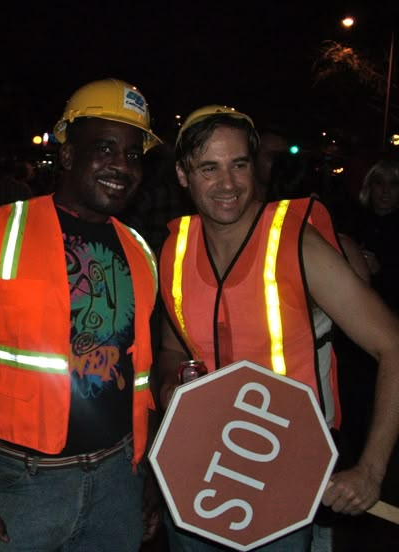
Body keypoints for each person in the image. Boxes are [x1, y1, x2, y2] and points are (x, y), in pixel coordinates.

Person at [0, 78, 162, 551]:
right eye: (105, 149)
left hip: (119, 476)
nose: (121, 165)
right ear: (69, 154)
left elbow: (143, 374)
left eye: (133, 155)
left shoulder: (141, 250)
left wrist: (148, 474)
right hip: (19, 485)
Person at [156, 105, 399, 551]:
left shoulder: (298, 245)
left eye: (239, 165)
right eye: (209, 168)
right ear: (182, 174)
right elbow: (172, 350)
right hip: (198, 472)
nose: (228, 184)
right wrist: (171, 382)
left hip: (282, 477)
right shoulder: (176, 248)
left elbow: (394, 346)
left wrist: (370, 469)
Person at [356, 159, 399, 312]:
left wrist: (380, 271)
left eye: (393, 184)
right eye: (379, 183)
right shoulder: (353, 221)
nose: (386, 191)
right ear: (370, 187)